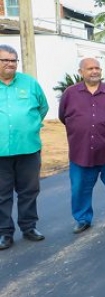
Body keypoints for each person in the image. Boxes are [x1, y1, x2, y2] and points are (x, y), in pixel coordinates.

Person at [58, 58, 105, 233]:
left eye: (97, 68)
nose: (94, 71)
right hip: (81, 151)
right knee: (79, 188)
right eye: (90, 68)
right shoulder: (70, 94)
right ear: (81, 72)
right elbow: (63, 117)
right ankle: (82, 219)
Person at [0, 44, 49, 250]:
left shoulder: (30, 84)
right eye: (5, 60)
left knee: (29, 190)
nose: (10, 64)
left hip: (28, 148)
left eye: (13, 60)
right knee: (2, 193)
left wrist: (31, 126)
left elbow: (43, 107)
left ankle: (29, 227)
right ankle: (4, 232)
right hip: (1, 152)